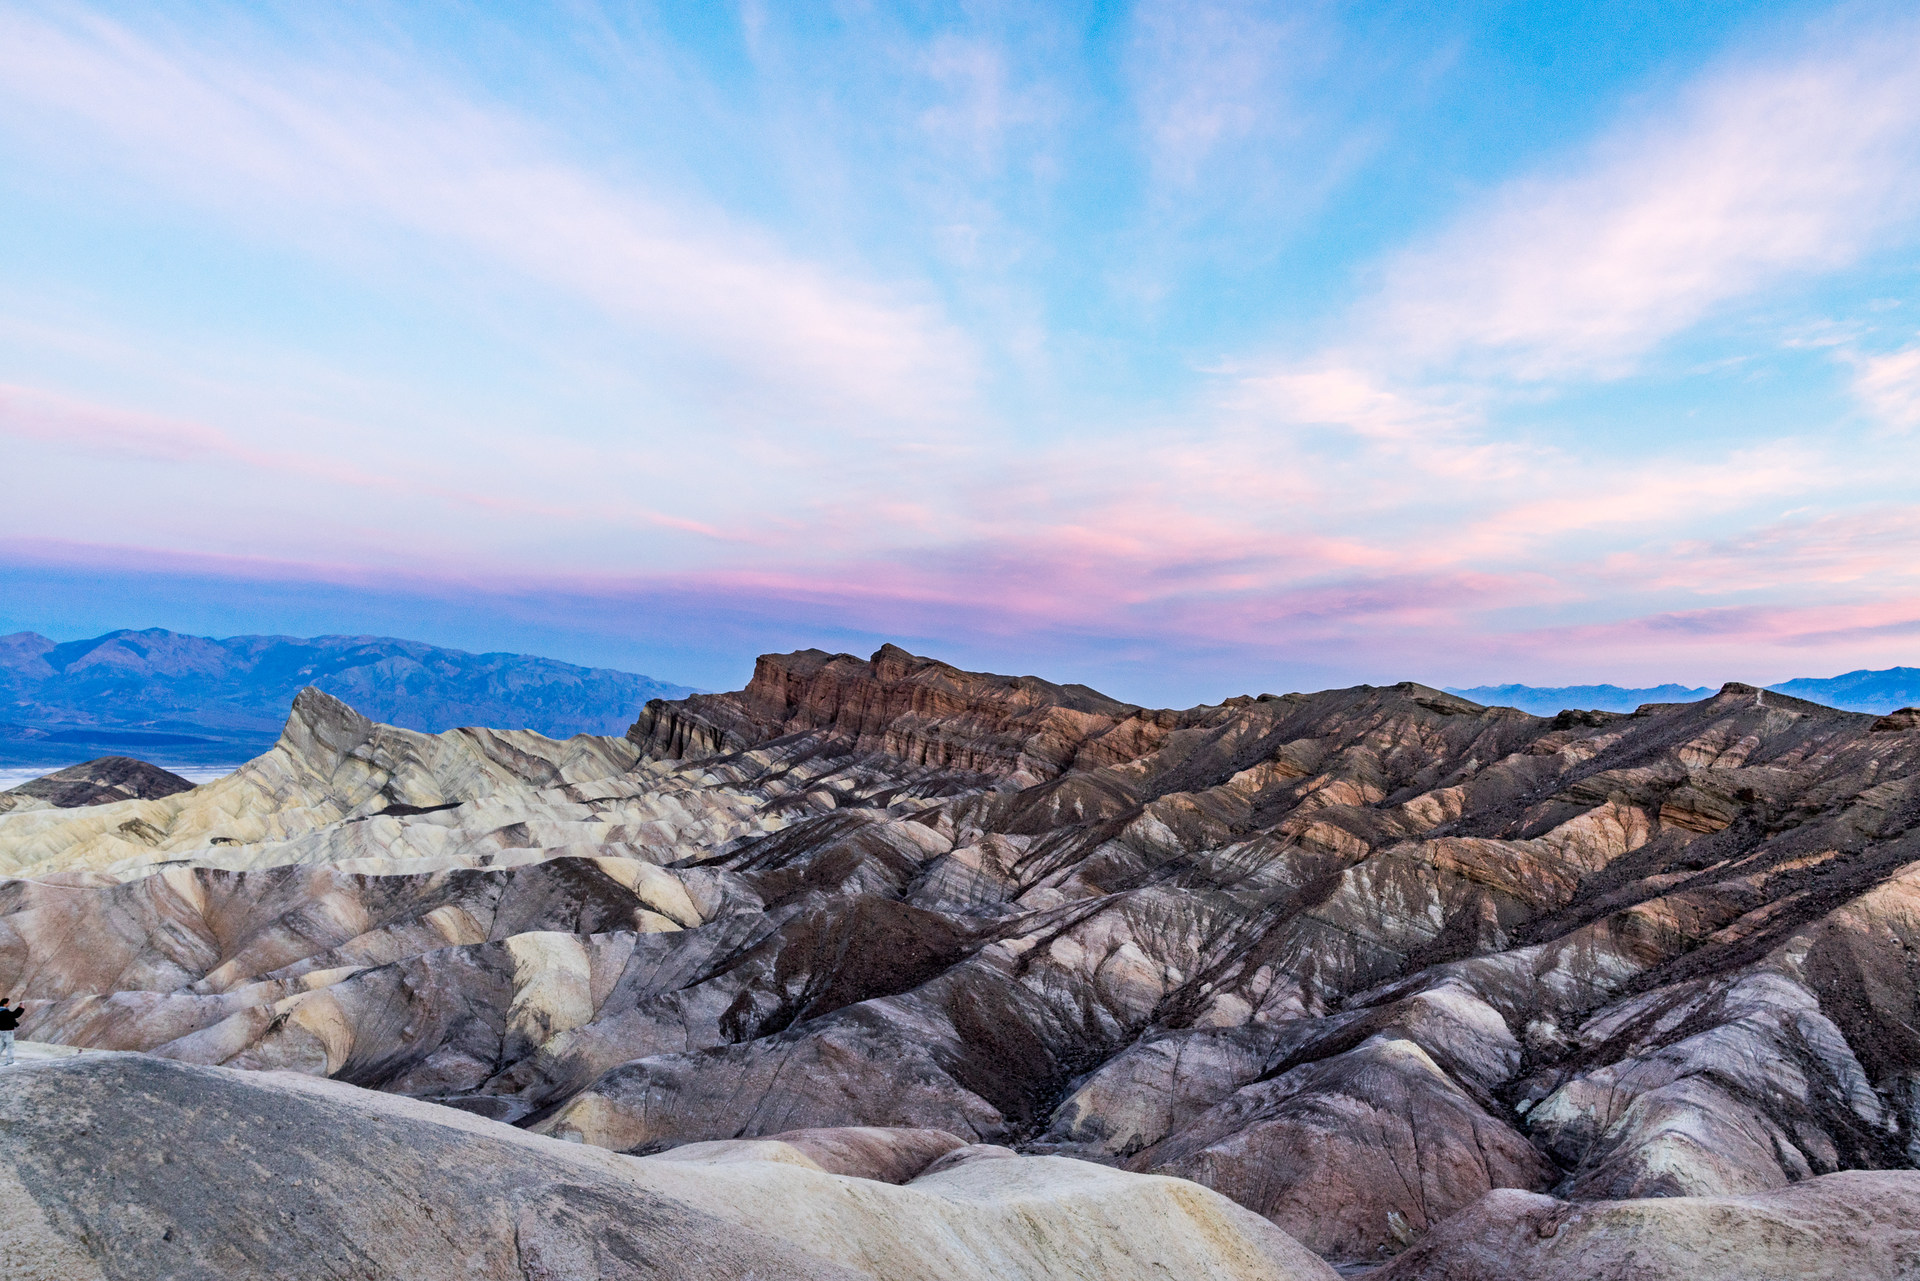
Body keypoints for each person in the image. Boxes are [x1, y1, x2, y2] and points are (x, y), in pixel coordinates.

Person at [0, 998, 18, 1066]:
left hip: (2, 1030)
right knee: (10, 1046)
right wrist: (21, 1008)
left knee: (2, 1045)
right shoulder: (5, 1011)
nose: (9, 1003)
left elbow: (10, 1018)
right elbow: (14, 1015)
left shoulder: (1, 1011)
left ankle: (10, 1061)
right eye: (8, 1002)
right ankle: (10, 1061)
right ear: (5, 1003)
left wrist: (15, 1023)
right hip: (8, 1031)